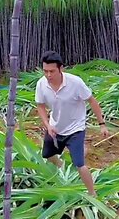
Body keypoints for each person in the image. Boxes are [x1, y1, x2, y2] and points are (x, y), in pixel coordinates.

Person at [34, 51, 110, 196]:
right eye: (45, 71)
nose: (48, 75)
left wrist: (102, 124)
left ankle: (92, 194)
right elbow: (40, 105)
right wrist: (47, 125)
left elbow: (92, 101)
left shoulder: (75, 83)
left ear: (61, 68)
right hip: (55, 127)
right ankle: (61, 164)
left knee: (79, 164)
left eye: (52, 71)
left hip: (76, 128)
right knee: (47, 155)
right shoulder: (41, 84)